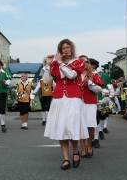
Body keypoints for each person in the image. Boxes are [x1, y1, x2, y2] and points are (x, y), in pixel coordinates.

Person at [43, 39, 88, 170]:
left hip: (73, 98)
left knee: (71, 127)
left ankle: (75, 151)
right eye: (63, 48)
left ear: (71, 49)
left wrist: (61, 63)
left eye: (67, 47)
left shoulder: (79, 62)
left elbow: (72, 75)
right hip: (58, 99)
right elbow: (46, 81)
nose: (65, 50)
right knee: (61, 128)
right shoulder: (54, 64)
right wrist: (47, 65)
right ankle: (66, 159)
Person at [79, 56, 103, 158]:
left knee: (90, 125)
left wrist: (89, 83)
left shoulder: (94, 75)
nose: (84, 63)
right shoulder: (75, 75)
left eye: (86, 61)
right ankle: (83, 149)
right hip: (78, 103)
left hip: (90, 103)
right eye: (81, 61)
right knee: (80, 126)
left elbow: (99, 89)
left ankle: (89, 146)